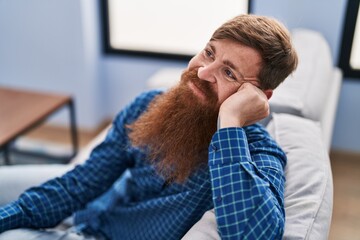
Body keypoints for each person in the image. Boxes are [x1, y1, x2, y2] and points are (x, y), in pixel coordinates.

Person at [0, 14, 298, 240]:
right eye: (209, 52)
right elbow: (81, 184)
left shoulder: (256, 155)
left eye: (229, 73)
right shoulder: (150, 104)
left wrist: (230, 123)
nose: (203, 72)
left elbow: (257, 233)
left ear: (258, 96)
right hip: (92, 208)